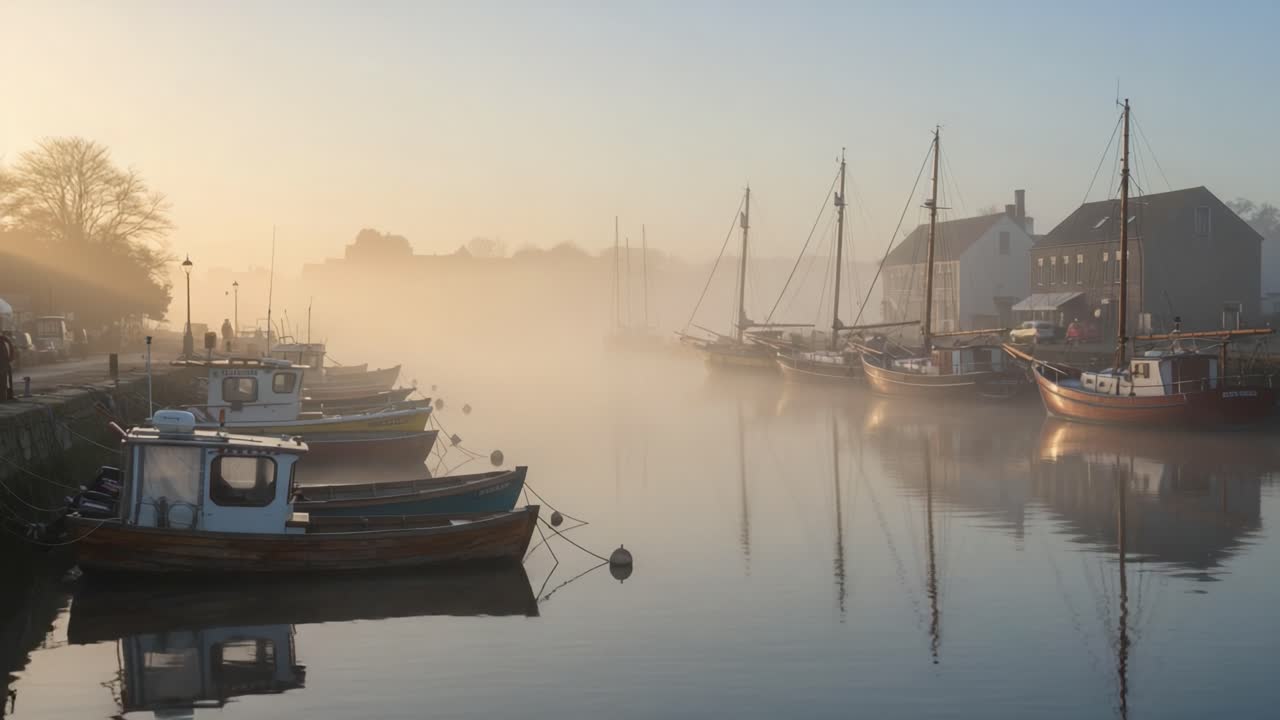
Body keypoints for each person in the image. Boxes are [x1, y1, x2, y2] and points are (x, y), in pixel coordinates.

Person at [0, 331, 15, 401]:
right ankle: (5, 397)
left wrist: (10, 359)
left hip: (5, 363)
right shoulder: (7, 341)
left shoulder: (6, 341)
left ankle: (6, 396)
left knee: (6, 380)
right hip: (5, 363)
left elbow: (11, 351)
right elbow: (11, 351)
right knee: (5, 381)